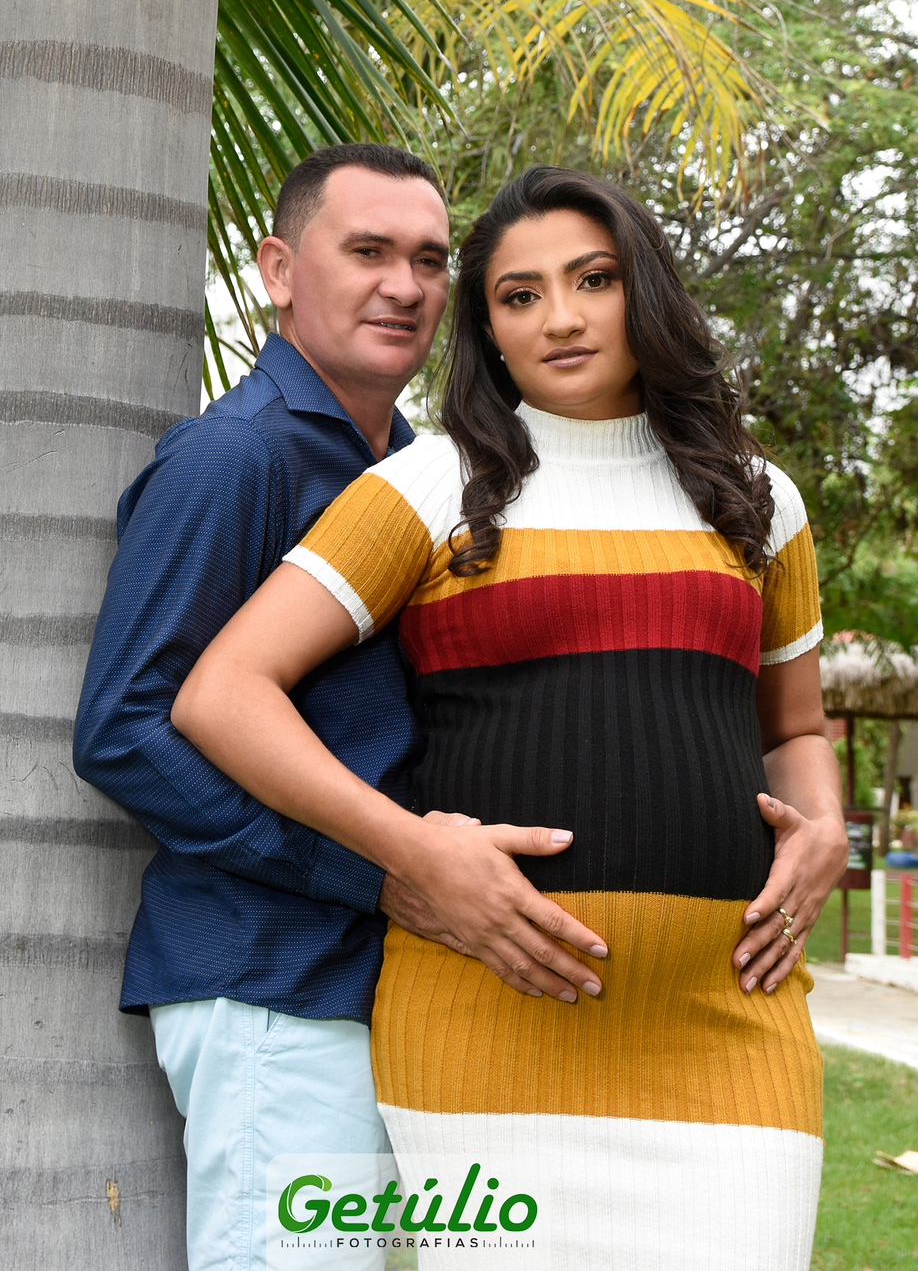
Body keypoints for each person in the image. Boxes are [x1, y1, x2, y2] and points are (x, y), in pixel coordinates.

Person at [170, 165, 850, 1270]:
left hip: (732, 1022)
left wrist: (827, 828)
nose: (561, 318)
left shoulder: (758, 498)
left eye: (594, 279)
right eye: (519, 295)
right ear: (486, 328)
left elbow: (796, 729)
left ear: (646, 291)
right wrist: (413, 850)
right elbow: (223, 692)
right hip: (482, 1026)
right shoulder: (430, 485)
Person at [73, 146, 607, 1271]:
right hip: (270, 981)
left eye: (429, 260)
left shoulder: (421, 472)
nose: (404, 286)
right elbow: (126, 730)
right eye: (367, 251)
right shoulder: (234, 457)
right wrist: (374, 873)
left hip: (382, 980)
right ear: (279, 270)